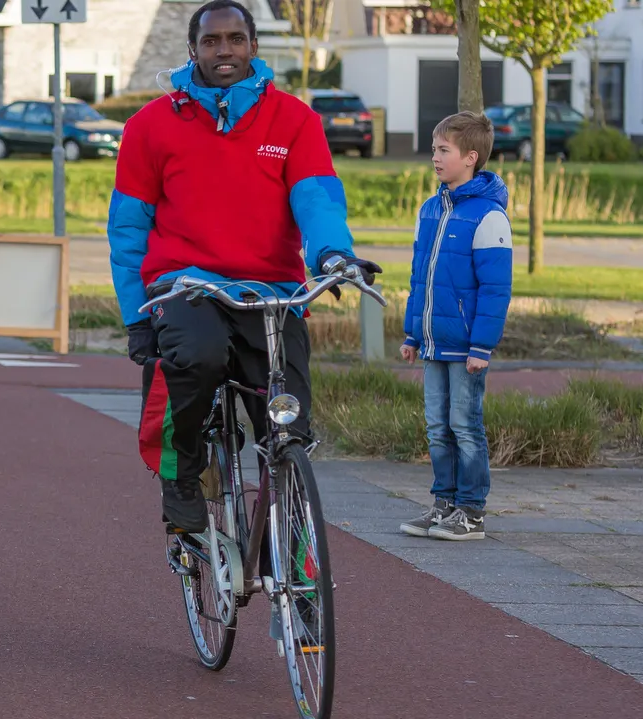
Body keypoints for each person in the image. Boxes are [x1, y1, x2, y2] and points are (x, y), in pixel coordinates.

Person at [108, 0, 383, 534]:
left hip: (271, 289)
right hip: (185, 284)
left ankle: (296, 560)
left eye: (235, 39)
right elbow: (127, 232)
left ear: (254, 46)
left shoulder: (294, 119)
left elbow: (318, 201)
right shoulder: (150, 126)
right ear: (194, 50)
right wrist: (136, 318)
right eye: (211, 41)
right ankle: (182, 475)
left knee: (286, 422)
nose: (224, 50)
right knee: (196, 358)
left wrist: (333, 256)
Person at [398, 111, 512, 541]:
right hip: (432, 343)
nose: (435, 158)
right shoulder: (430, 211)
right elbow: (419, 279)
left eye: (443, 150)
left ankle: (471, 511)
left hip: (467, 348)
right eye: (434, 150)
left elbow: (495, 289)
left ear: (470, 157)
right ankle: (443, 503)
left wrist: (482, 346)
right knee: (436, 426)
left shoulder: (489, 217)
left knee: (465, 425)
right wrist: (413, 333)